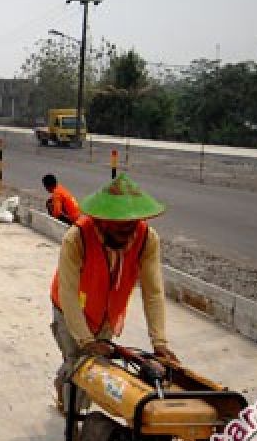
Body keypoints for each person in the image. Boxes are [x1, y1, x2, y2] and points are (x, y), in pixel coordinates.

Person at [48, 174, 179, 412]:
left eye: (131, 226)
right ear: (101, 220)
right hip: (69, 308)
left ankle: (63, 386)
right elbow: (68, 292)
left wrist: (159, 342)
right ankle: (73, 425)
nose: (127, 233)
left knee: (93, 367)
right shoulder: (77, 238)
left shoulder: (146, 239)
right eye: (119, 227)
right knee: (81, 365)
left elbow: (153, 293)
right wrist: (86, 340)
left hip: (106, 314)